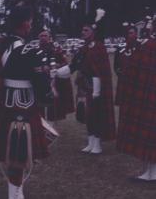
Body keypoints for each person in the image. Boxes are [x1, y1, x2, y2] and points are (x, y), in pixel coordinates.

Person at [0, 5, 79, 199]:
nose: (31, 25)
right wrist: (49, 92)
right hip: (24, 108)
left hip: (6, 106)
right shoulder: (31, 51)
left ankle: (17, 195)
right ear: (25, 24)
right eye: (30, 21)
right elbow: (43, 89)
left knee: (11, 153)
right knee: (19, 155)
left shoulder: (0, 46)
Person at [117, 17, 156, 181]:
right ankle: (148, 170)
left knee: (151, 133)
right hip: (147, 94)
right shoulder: (147, 45)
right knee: (148, 134)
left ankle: (152, 171)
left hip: (150, 94)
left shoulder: (148, 45)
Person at [73, 23, 115, 154]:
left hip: (96, 87)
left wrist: (97, 91)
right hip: (85, 86)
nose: (83, 32)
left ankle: (97, 144)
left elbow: (100, 70)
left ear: (93, 32)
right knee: (88, 115)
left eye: (86, 30)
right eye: (82, 30)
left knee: (97, 114)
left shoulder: (99, 47)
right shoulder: (84, 48)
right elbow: (75, 64)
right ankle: (90, 142)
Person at [36, 30, 74, 125]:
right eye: (41, 36)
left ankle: (50, 127)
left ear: (49, 38)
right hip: (40, 83)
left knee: (52, 109)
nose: (43, 37)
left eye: (45, 35)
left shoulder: (56, 50)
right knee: (39, 107)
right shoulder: (35, 51)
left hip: (54, 83)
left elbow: (65, 63)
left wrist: (55, 66)